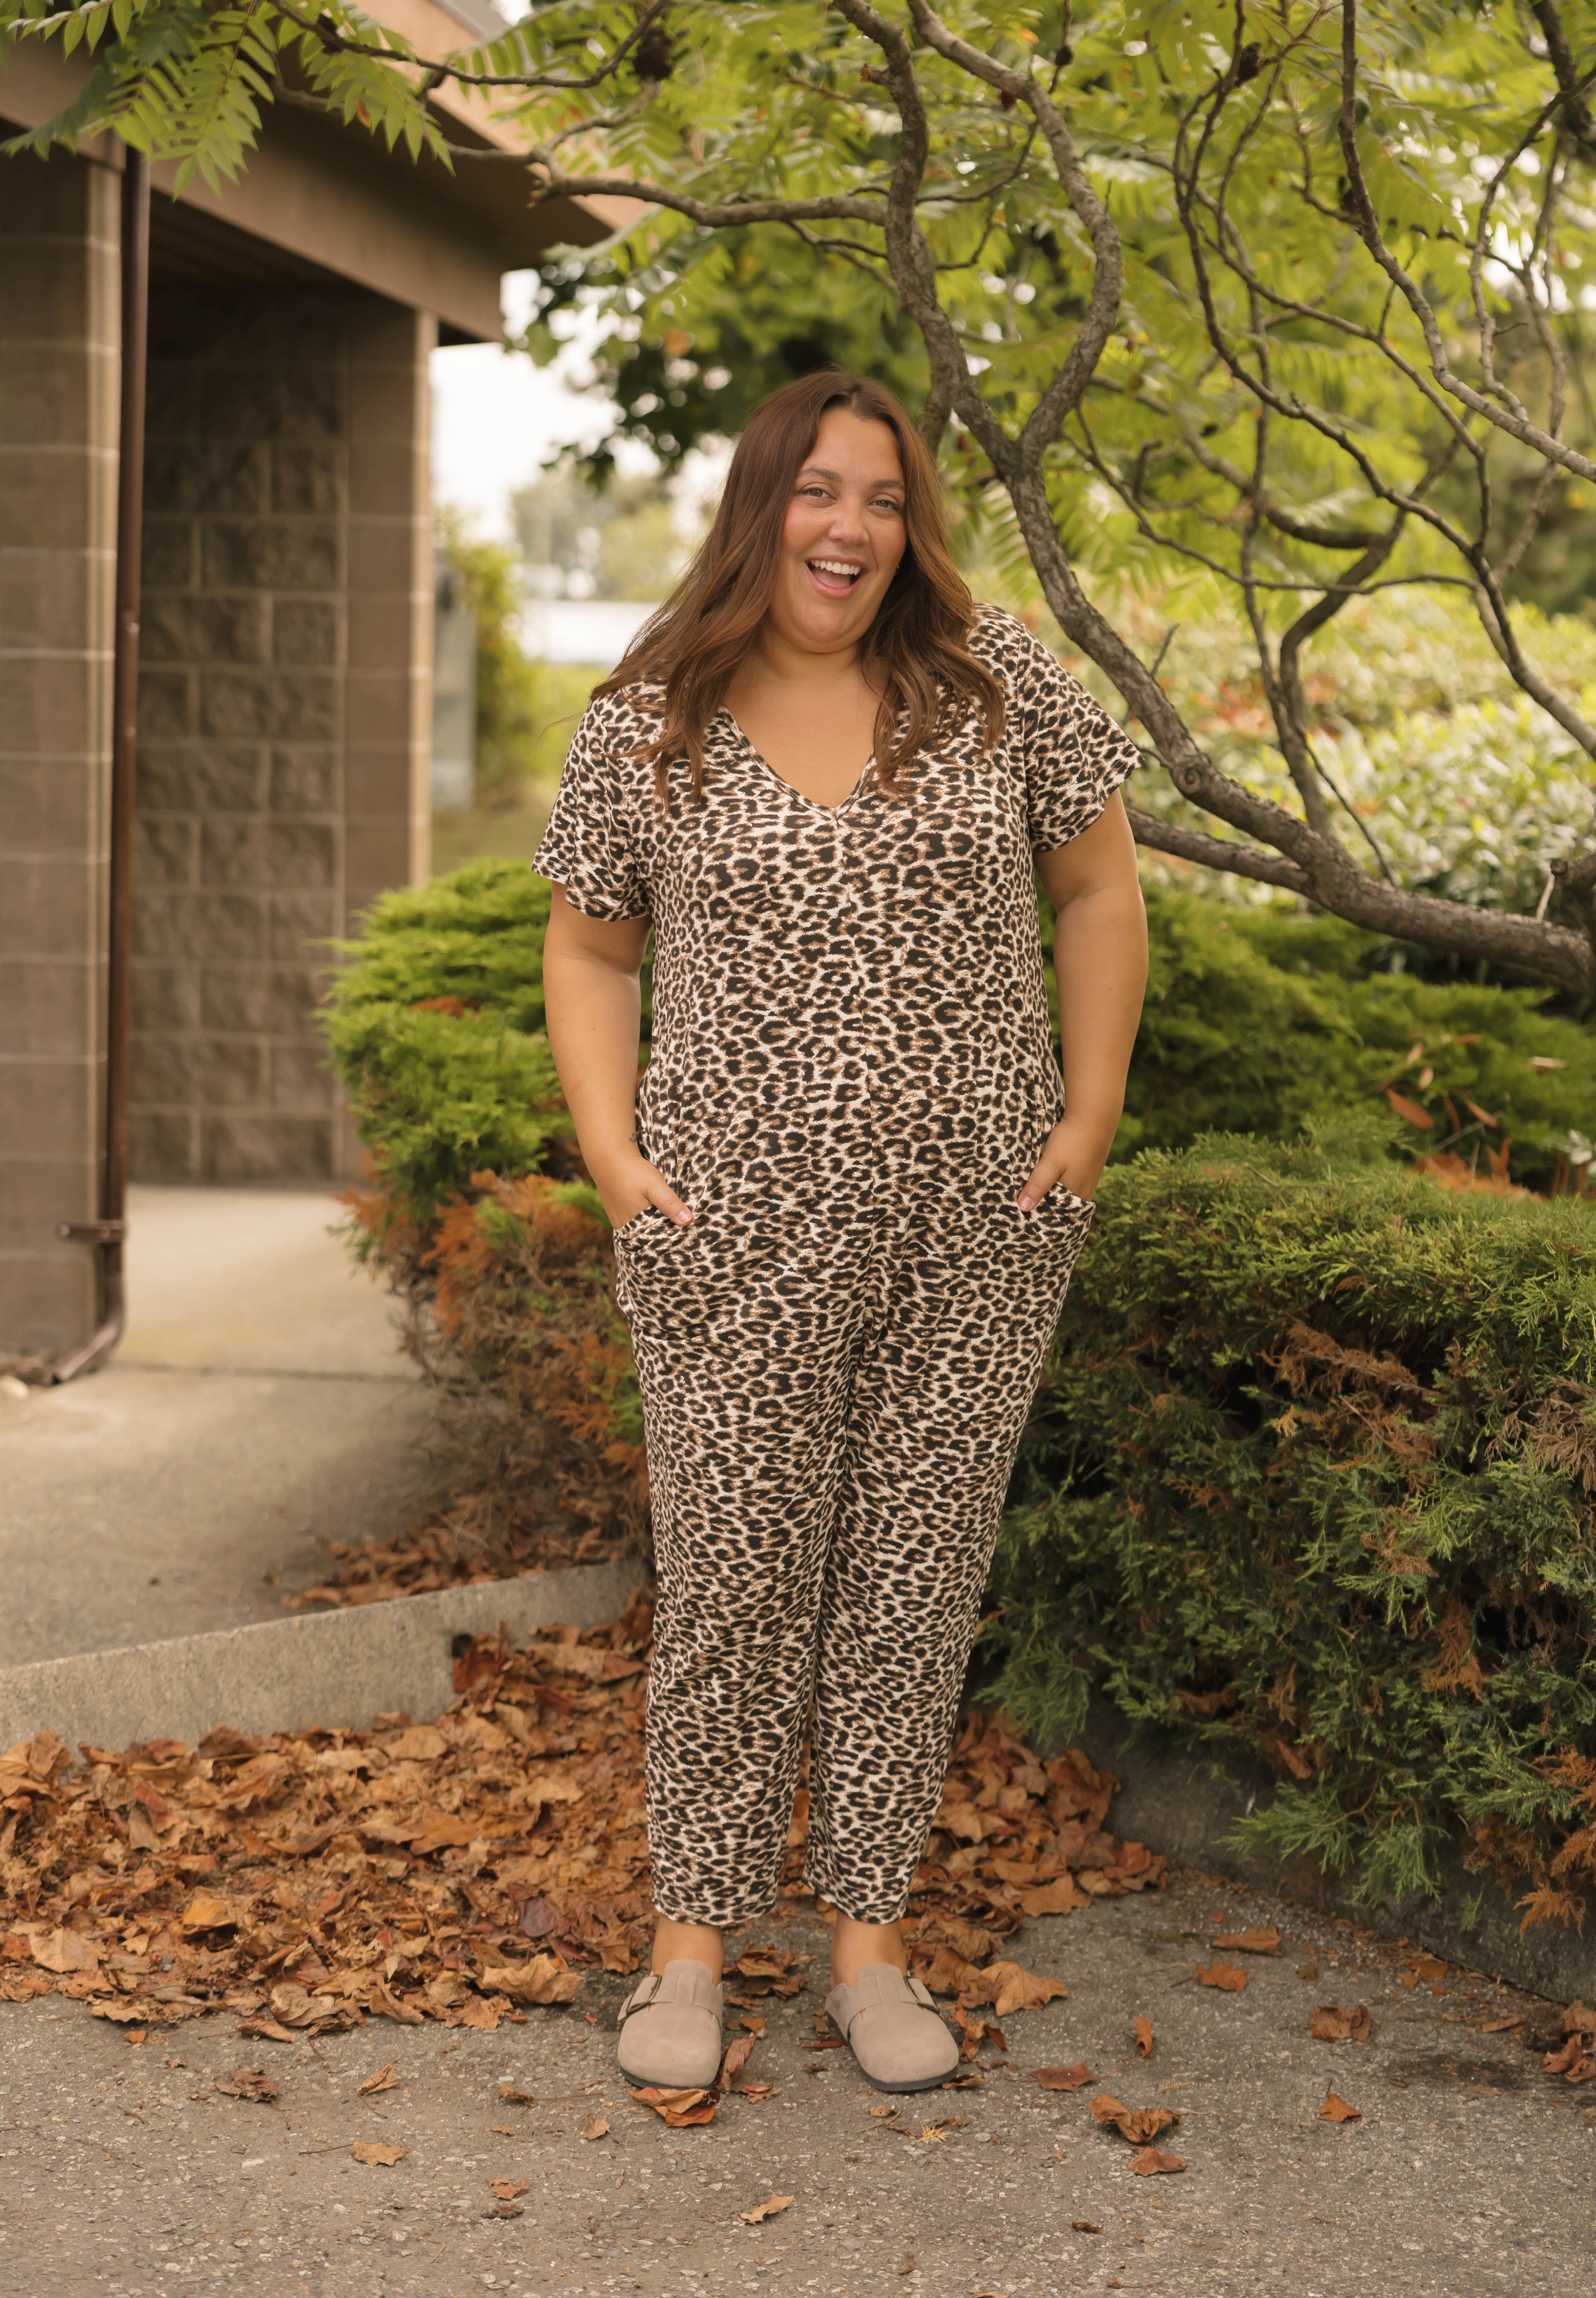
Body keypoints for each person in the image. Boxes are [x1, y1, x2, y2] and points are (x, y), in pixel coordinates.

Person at [536, 369, 1148, 2095]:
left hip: (980, 1228)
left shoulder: (999, 683)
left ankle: (872, 1948)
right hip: (726, 1240)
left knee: (911, 1588)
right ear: (762, 508)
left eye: (882, 497)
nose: (851, 527)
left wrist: (1083, 1120)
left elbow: (1100, 888)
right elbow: (591, 950)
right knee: (736, 1585)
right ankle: (692, 1948)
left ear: (911, 523)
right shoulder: (650, 713)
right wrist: (610, 1153)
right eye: (818, 492)